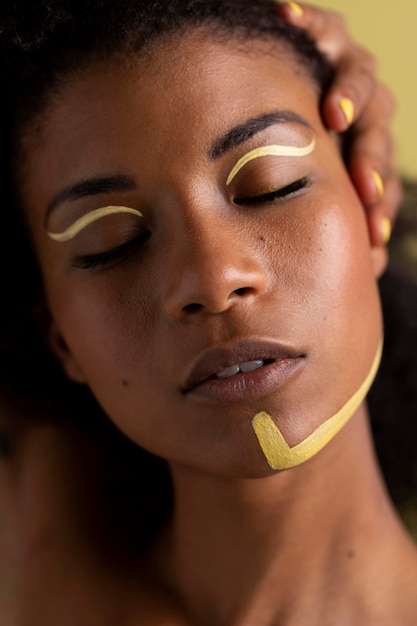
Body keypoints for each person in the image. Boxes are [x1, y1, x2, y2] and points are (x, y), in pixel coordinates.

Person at [0, 0, 414, 624]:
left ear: (370, 213)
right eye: (112, 244)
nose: (215, 279)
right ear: (60, 337)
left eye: (271, 184)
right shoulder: (36, 554)